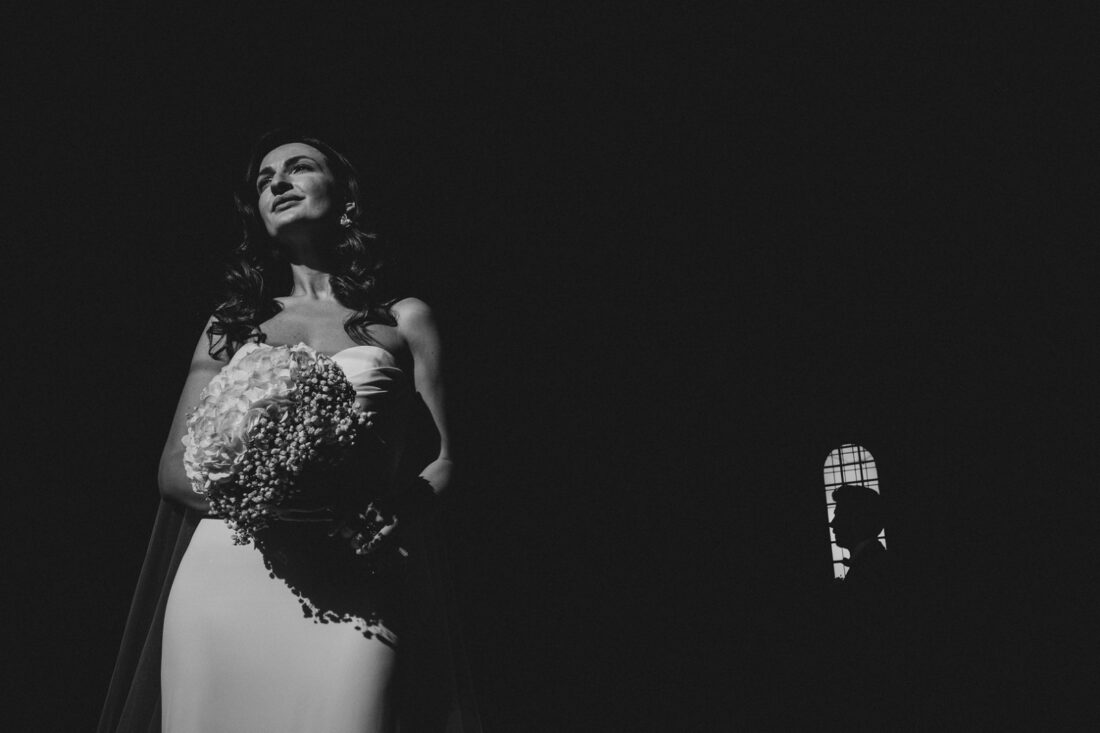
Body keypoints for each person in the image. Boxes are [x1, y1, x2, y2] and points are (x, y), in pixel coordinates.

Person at [99, 130, 481, 732]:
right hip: (227, 574)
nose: (276, 182)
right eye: (263, 180)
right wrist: (276, 499)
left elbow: (442, 462)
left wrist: (394, 512)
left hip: (350, 575)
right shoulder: (234, 324)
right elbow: (174, 470)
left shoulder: (404, 320)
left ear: (347, 197)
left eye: (298, 168)